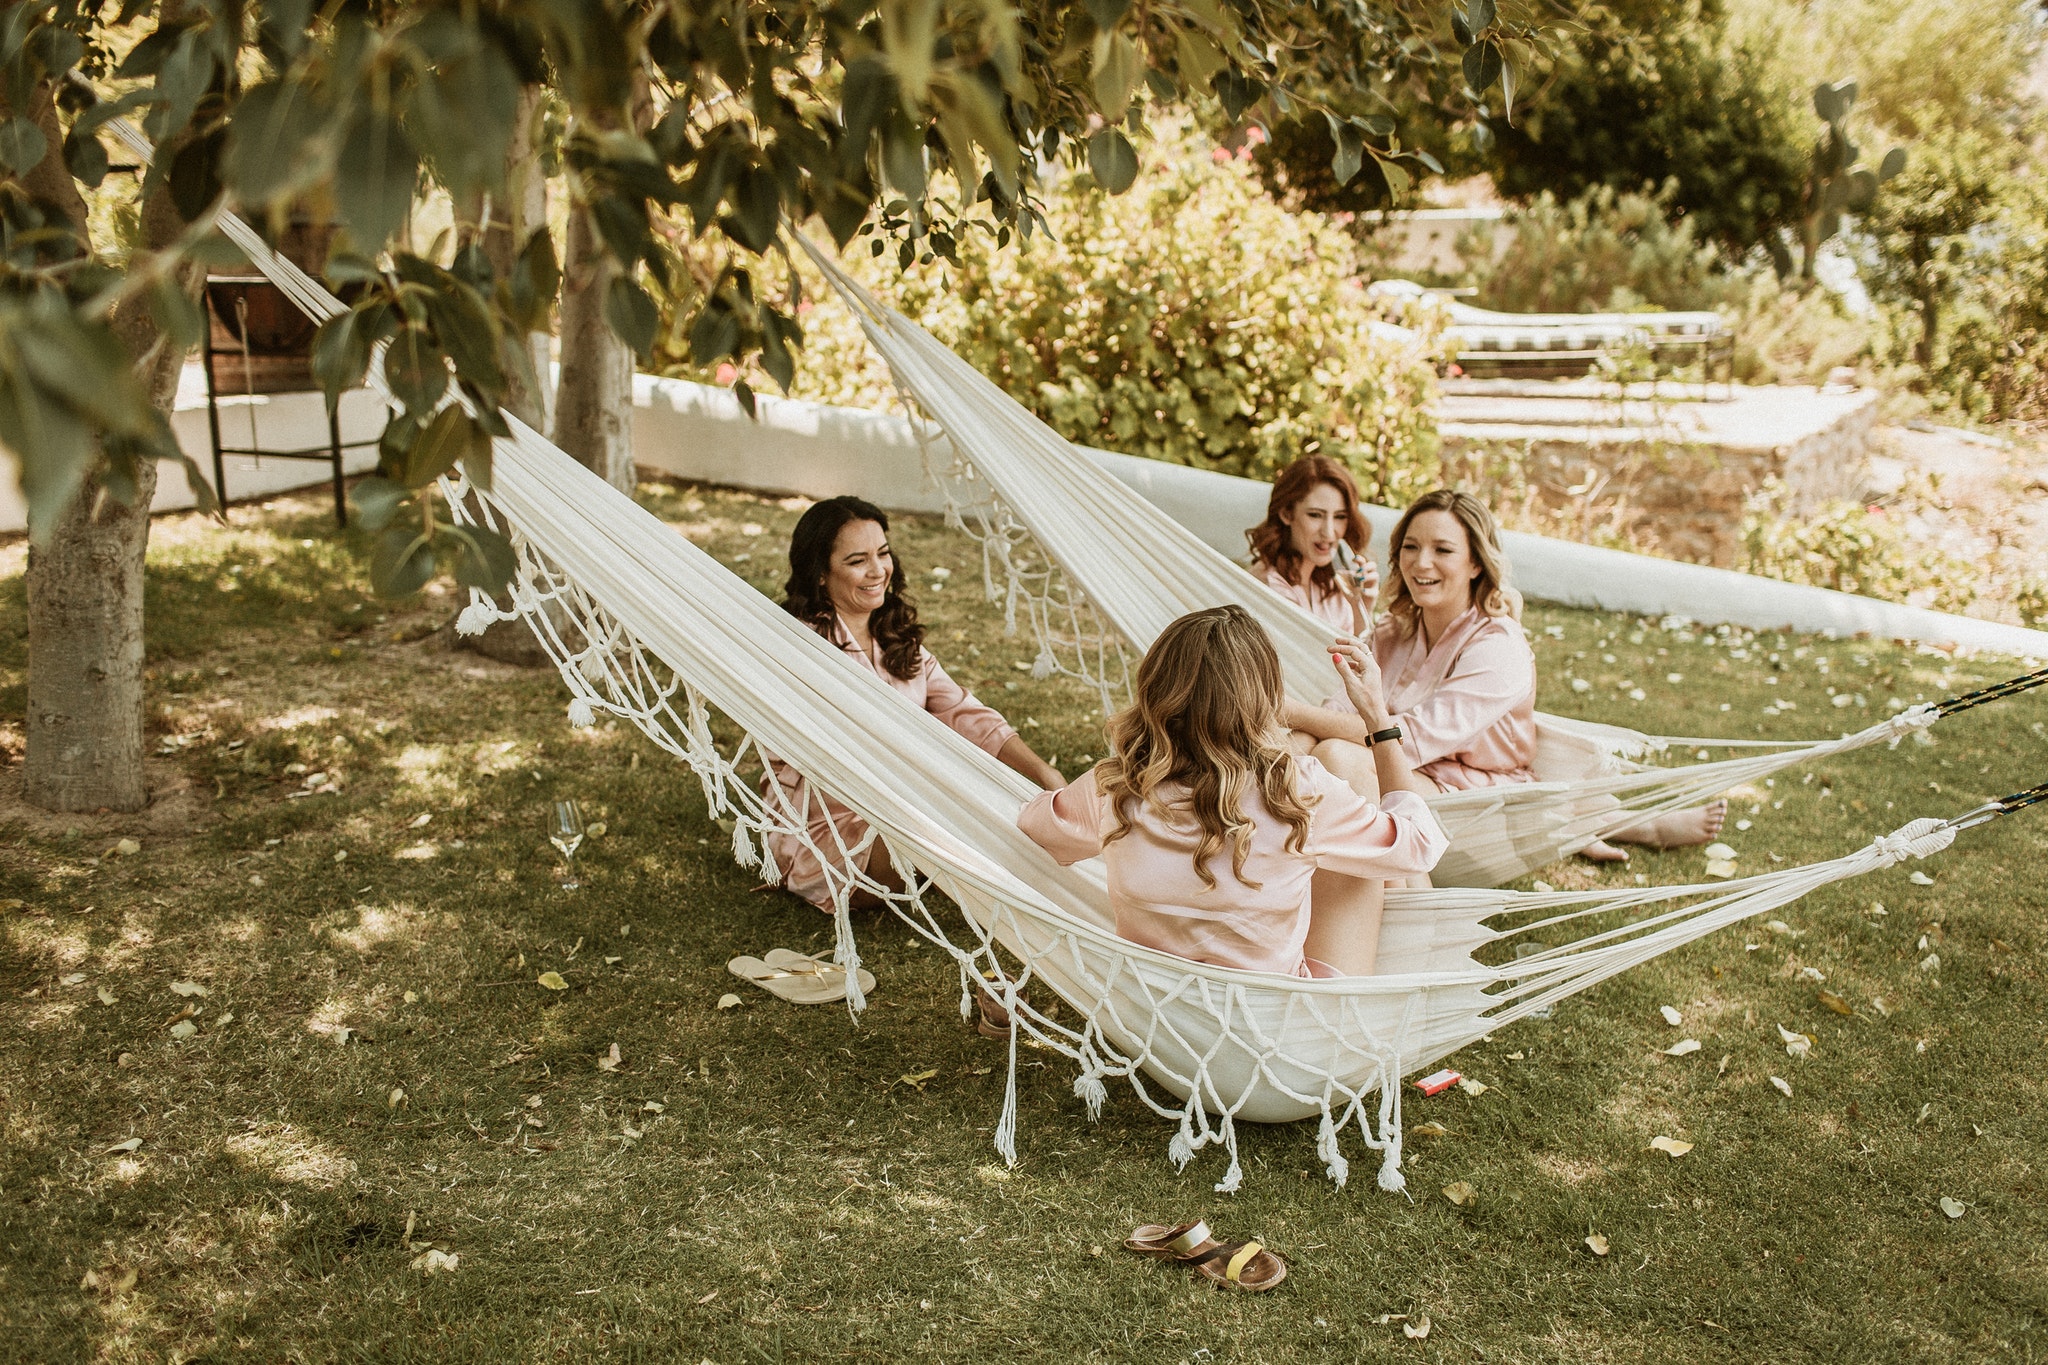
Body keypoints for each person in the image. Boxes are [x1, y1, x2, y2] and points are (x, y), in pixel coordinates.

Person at [1284, 489, 1725, 861]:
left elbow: (1407, 739)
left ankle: (1620, 825)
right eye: (1411, 547)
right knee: (1309, 750)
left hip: (1475, 795)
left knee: (1339, 759)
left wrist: (1292, 714)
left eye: (1443, 550)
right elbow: (1342, 707)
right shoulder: (1394, 631)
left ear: (1476, 563)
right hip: (1404, 768)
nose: (1421, 563)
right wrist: (1300, 733)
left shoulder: (1499, 647)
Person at [1017, 605, 1445, 978]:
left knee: (1333, 844)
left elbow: (1035, 829)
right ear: (1266, 700)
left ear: (1154, 691)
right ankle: (1414, 971)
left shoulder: (1112, 787)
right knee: (1360, 855)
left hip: (1160, 1014)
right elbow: (1420, 846)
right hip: (1283, 1025)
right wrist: (1376, 717)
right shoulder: (1298, 790)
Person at [764, 496, 1064, 910]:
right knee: (975, 829)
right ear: (819, 574)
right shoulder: (799, 647)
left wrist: (1042, 773)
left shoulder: (894, 640)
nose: (878, 571)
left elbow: (965, 715)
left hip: (905, 809)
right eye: (857, 561)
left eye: (883, 553)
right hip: (826, 831)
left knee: (1016, 811)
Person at [1246, 454, 1379, 635]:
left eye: (1340, 517)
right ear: (1286, 513)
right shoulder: (1266, 585)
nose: (1329, 532)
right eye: (1315, 515)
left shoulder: (1332, 582)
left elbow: (1359, 656)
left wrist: (1361, 607)